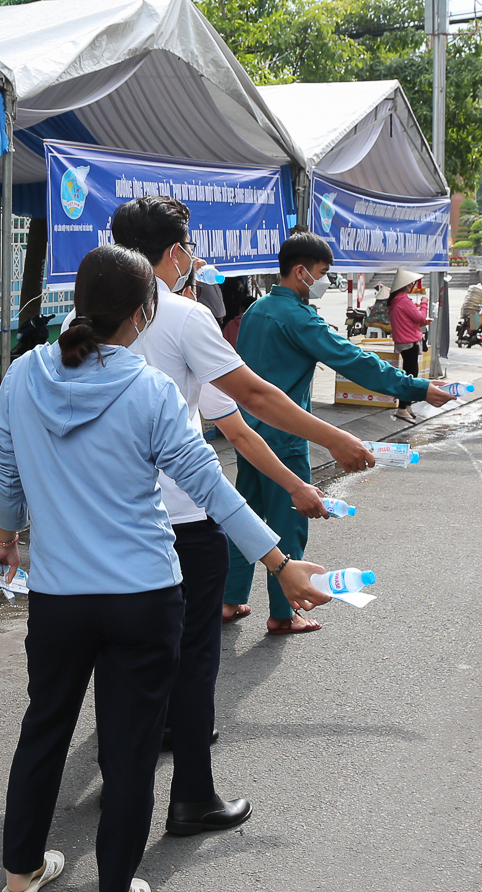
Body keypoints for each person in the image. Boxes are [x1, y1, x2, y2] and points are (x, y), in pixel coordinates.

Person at [0, 245, 328, 892]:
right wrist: (279, 560)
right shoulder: (150, 391)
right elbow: (210, 487)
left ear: (77, 301)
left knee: (44, 728)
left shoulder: (25, 374)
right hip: (143, 594)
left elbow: (7, 464)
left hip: (58, 596)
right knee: (131, 742)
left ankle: (20, 871)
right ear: (144, 315)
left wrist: (5, 536)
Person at [104, 197, 372, 838]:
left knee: (122, 655)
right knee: (193, 656)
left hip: (108, 517)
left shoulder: (83, 322)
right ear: (173, 254)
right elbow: (252, 401)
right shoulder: (183, 314)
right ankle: (192, 794)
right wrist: (331, 440)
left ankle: (124, 776)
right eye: (188, 248)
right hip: (182, 515)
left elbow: (236, 419)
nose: (192, 260)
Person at [223, 235, 453, 627]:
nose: (325, 281)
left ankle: (229, 601)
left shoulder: (257, 310)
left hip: (248, 435)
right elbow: (357, 362)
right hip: (285, 439)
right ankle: (284, 614)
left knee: (246, 520)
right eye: (323, 274)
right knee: (287, 525)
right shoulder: (298, 317)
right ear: (301, 272)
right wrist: (417, 387)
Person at [387, 270, 429, 423]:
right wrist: (424, 303)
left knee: (409, 374)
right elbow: (421, 318)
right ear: (404, 285)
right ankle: (402, 408)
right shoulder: (403, 300)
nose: (412, 286)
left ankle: (407, 406)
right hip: (409, 342)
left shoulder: (395, 300)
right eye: (410, 283)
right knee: (410, 376)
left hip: (403, 342)